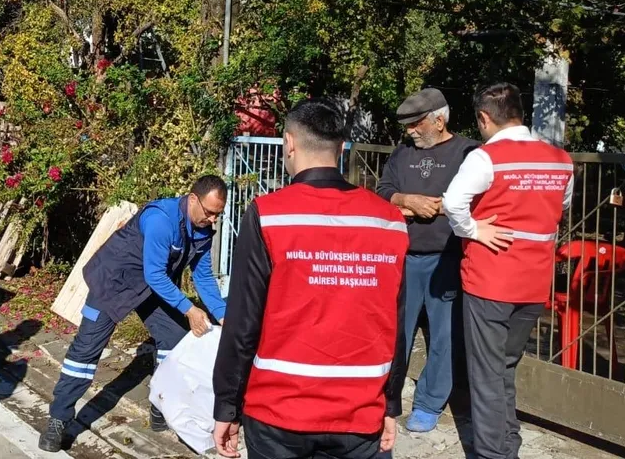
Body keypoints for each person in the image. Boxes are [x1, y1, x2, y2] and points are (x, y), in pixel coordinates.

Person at [213, 99, 409, 459]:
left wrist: (227, 405)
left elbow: (242, 323)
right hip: (360, 411)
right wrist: (391, 403)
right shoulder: (389, 220)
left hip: (279, 410)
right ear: (341, 147)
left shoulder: (269, 215)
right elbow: (398, 322)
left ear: (289, 143)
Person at [38, 175, 229, 453]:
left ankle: (160, 403)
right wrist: (189, 309)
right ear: (192, 200)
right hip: (114, 282)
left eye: (218, 215)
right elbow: (154, 274)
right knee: (86, 351)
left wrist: (222, 315)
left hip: (151, 290)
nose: (213, 220)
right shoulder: (161, 220)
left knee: (174, 339)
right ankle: (58, 419)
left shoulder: (202, 230)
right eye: (209, 212)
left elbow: (203, 276)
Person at [442, 82, 573, 459]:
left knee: (485, 375)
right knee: (505, 367)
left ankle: (492, 453)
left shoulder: (487, 157)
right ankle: (507, 443)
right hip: (535, 280)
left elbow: (453, 202)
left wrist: (473, 229)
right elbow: (560, 209)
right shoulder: (561, 159)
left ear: (484, 118)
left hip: (490, 278)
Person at [375, 88, 477, 432]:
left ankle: (429, 404)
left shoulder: (468, 152)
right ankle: (385, 399)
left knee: (444, 337)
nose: (410, 132)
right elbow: (383, 190)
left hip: (448, 258)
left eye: (416, 124)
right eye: (407, 126)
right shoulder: (402, 153)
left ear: (439, 119)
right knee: (394, 333)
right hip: (402, 257)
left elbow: (478, 199)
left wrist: (434, 207)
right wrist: (406, 200)